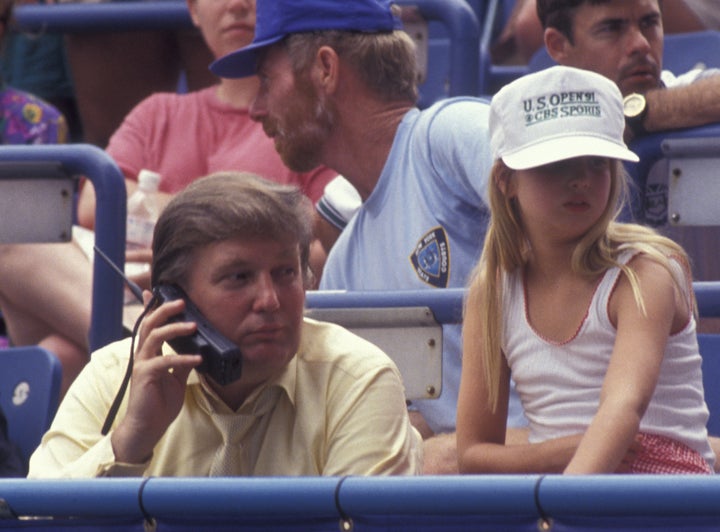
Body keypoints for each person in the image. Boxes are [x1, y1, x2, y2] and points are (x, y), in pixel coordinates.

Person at [209, 0, 529, 475]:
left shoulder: (446, 134)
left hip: (577, 472)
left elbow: (591, 254)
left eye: (266, 80)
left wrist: (445, 454)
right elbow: (410, 418)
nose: (256, 109)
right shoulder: (343, 263)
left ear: (325, 68)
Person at [0, 0, 337, 396]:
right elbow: (95, 203)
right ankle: (148, 336)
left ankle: (153, 339)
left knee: (63, 354)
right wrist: (226, 228)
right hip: (127, 286)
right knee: (15, 235)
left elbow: (316, 243)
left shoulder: (303, 118)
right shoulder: (158, 111)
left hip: (240, 310)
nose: (238, 5)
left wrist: (183, 249)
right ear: (194, 11)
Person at [28, 171, 422, 478]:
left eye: (286, 273)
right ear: (173, 300)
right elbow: (36, 520)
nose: (270, 300)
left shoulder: (356, 377)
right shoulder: (115, 375)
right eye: (239, 277)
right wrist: (130, 441)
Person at [457, 65, 714, 475]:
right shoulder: (491, 293)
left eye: (597, 162)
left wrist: (565, 500)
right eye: (555, 163)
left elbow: (623, 408)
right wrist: (560, 456)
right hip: (560, 492)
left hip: (663, 491)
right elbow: (471, 455)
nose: (580, 178)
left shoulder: (643, 273)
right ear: (507, 180)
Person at [491, 0, 720, 66]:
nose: (642, 45)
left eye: (650, 23)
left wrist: (640, 112)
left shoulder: (689, 86)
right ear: (558, 46)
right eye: (612, 28)